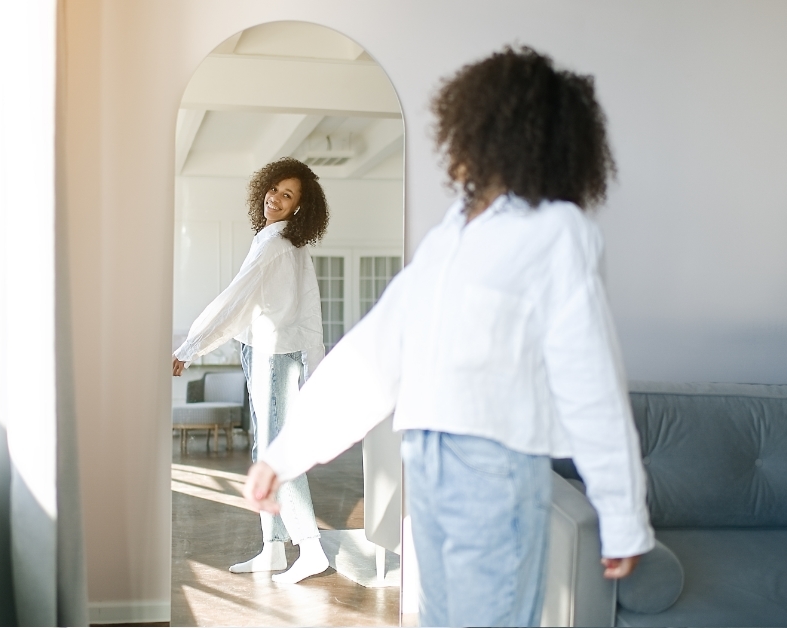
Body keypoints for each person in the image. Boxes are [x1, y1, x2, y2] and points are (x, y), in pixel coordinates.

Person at [242, 46, 655, 626]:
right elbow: (375, 351)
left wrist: (623, 514)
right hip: (427, 460)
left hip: (498, 466)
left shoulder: (557, 232)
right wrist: (285, 454)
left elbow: (591, 382)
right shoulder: (450, 237)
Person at [172, 157, 332, 584]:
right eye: (274, 189)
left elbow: (234, 300)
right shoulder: (287, 244)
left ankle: (310, 548)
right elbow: (310, 315)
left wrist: (191, 346)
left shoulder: (276, 246)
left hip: (272, 357)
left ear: (300, 207)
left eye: (288, 195)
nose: (275, 198)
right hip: (274, 354)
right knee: (266, 452)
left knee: (275, 454)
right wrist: (313, 365)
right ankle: (274, 548)